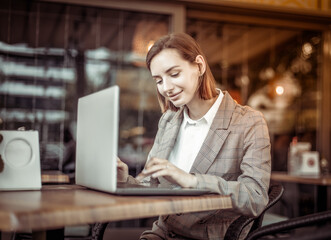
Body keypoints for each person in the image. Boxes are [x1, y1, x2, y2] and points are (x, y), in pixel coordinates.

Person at [117, 32, 271, 240]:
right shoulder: (169, 121)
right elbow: (151, 186)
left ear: (199, 66)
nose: (166, 88)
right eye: (159, 80)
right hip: (162, 233)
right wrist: (123, 181)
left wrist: (192, 181)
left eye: (174, 74)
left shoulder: (249, 122)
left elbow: (255, 198)